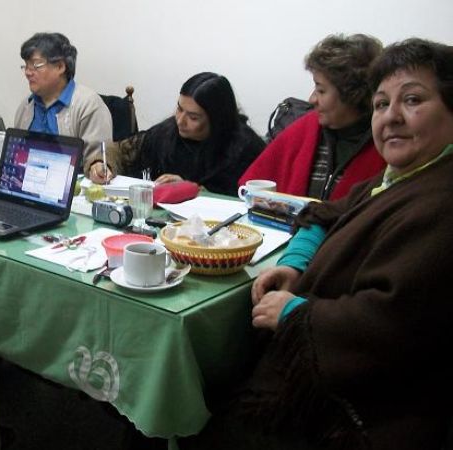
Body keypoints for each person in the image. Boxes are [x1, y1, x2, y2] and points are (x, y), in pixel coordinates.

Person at [183, 38, 453, 450]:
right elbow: (326, 214)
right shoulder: (397, 180)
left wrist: (294, 311)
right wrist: (295, 262)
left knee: (203, 410)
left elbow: (391, 325)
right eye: (382, 104)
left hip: (364, 411)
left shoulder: (439, 202)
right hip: (319, 353)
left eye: (412, 99)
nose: (392, 116)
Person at [239, 34, 386, 200]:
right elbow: (252, 186)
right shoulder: (306, 128)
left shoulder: (385, 144)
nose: (311, 99)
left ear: (352, 94)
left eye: (321, 90)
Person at [85, 72, 266, 196]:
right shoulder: (168, 132)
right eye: (179, 109)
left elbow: (252, 200)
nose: (180, 120)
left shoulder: (245, 148)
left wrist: (191, 189)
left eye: (193, 117)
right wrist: (101, 164)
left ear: (217, 119)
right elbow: (119, 150)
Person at [14, 32, 112, 160]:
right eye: (26, 66)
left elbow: (98, 163)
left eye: (36, 65)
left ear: (60, 67)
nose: (27, 72)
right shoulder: (26, 107)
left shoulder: (89, 105)